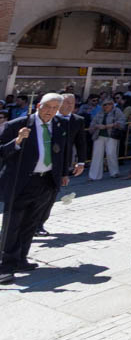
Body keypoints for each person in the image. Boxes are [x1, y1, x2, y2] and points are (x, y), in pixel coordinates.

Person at [0, 93, 79, 284]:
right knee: (12, 224)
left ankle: (21, 259)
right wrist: (17, 142)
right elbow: (2, 151)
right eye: (47, 107)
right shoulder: (17, 125)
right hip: (21, 182)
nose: (50, 112)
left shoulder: (59, 125)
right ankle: (5, 265)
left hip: (46, 182)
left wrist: (63, 173)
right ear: (38, 106)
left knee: (31, 223)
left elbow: (63, 150)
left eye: (54, 108)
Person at [35, 94, 86, 236]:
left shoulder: (78, 120)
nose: (70, 106)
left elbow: (80, 142)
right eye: (67, 102)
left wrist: (80, 162)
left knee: (50, 196)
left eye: (73, 103)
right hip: (40, 163)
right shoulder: (48, 119)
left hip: (61, 164)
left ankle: (39, 224)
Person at [88, 98, 126, 180]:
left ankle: (114, 172)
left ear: (112, 104)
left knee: (111, 153)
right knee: (96, 155)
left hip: (111, 135)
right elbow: (93, 123)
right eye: (105, 104)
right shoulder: (99, 113)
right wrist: (97, 126)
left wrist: (109, 126)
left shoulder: (117, 111)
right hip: (99, 135)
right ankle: (94, 176)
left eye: (109, 104)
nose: (107, 106)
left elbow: (122, 122)